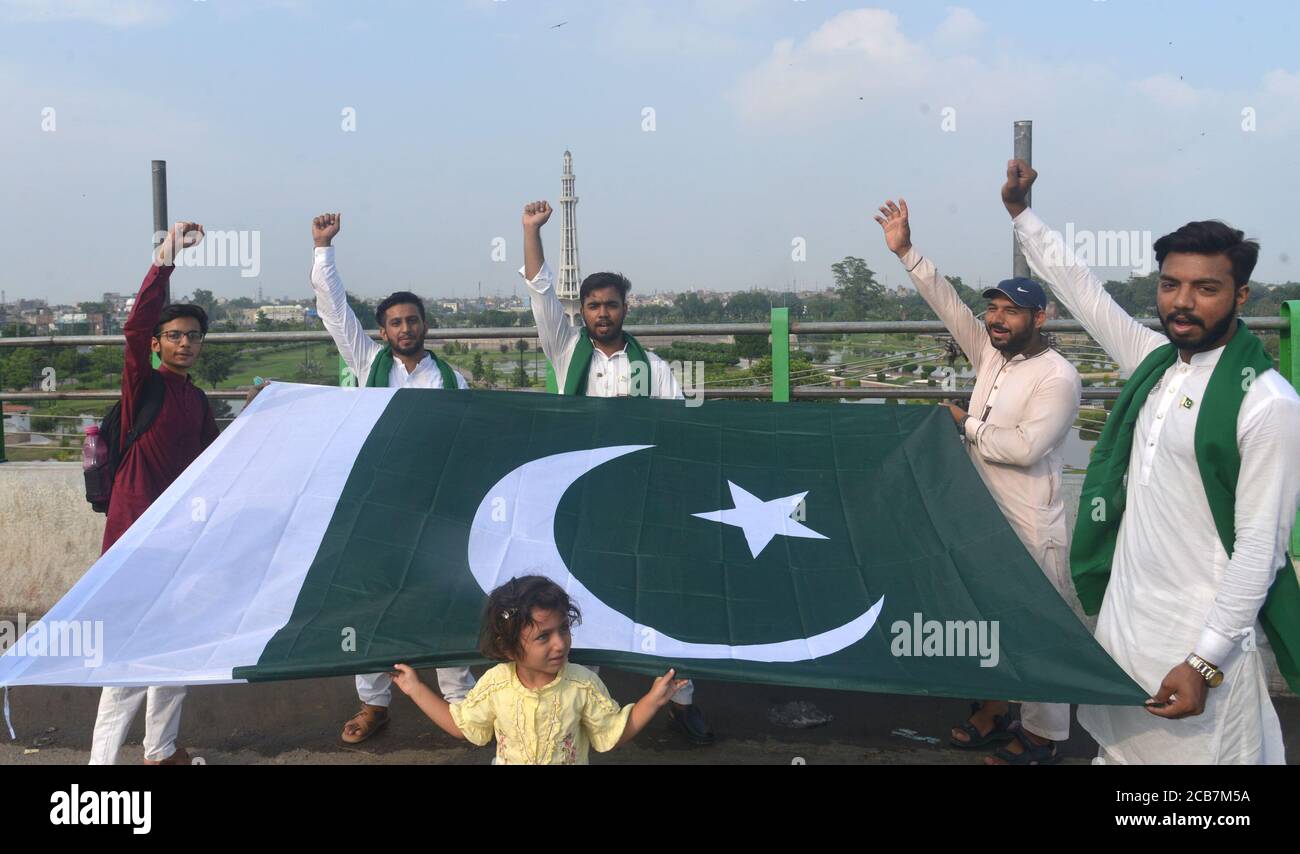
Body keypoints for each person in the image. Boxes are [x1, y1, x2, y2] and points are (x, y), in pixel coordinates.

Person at [1003, 159, 1300, 764]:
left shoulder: (1266, 403)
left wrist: (1206, 660)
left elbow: (1259, 547)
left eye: (1206, 288)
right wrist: (1022, 215)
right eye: (1171, 285)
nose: (1183, 302)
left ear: (1240, 296)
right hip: (1127, 624)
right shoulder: (1157, 363)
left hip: (1197, 645)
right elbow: (1084, 293)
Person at [875, 198, 1083, 765]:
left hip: (1029, 522)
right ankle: (993, 711)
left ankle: (1043, 736)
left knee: (1038, 629)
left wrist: (965, 423)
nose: (996, 319)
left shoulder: (1057, 377)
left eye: (1010, 311)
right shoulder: (992, 355)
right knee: (984, 618)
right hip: (981, 518)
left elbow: (1025, 448)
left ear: (1041, 318)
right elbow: (946, 303)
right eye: (992, 309)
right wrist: (906, 252)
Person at [519, 200, 714, 745]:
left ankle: (681, 700)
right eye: (592, 306)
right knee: (581, 601)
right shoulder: (565, 352)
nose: (602, 314)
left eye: (611, 305)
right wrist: (531, 230)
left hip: (643, 502)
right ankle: (589, 707)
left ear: (626, 308)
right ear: (580, 311)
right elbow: (538, 288)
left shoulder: (656, 369)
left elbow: (680, 435)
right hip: (581, 502)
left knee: (659, 596)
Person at [309, 212, 477, 744]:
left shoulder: (454, 380)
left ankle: (460, 700)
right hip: (379, 504)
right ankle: (374, 702)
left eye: (413, 320)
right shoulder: (367, 364)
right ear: (383, 332)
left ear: (424, 325)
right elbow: (334, 311)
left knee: (442, 593)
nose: (405, 328)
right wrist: (323, 250)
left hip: (438, 505)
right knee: (374, 599)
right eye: (396, 323)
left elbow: (472, 442)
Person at [90, 222, 219, 766]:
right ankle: (99, 765)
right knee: (128, 661)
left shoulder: (198, 401)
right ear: (157, 344)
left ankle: (160, 750)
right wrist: (166, 256)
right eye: (175, 336)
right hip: (136, 540)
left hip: (180, 541)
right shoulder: (144, 386)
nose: (185, 343)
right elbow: (135, 321)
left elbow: (221, 462)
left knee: (175, 650)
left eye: (193, 336)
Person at [391, 575, 686, 764]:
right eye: (543, 636)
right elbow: (462, 726)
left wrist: (652, 701)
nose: (560, 644)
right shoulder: (495, 684)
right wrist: (415, 688)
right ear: (508, 649)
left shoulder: (583, 684)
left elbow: (610, 734)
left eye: (563, 629)